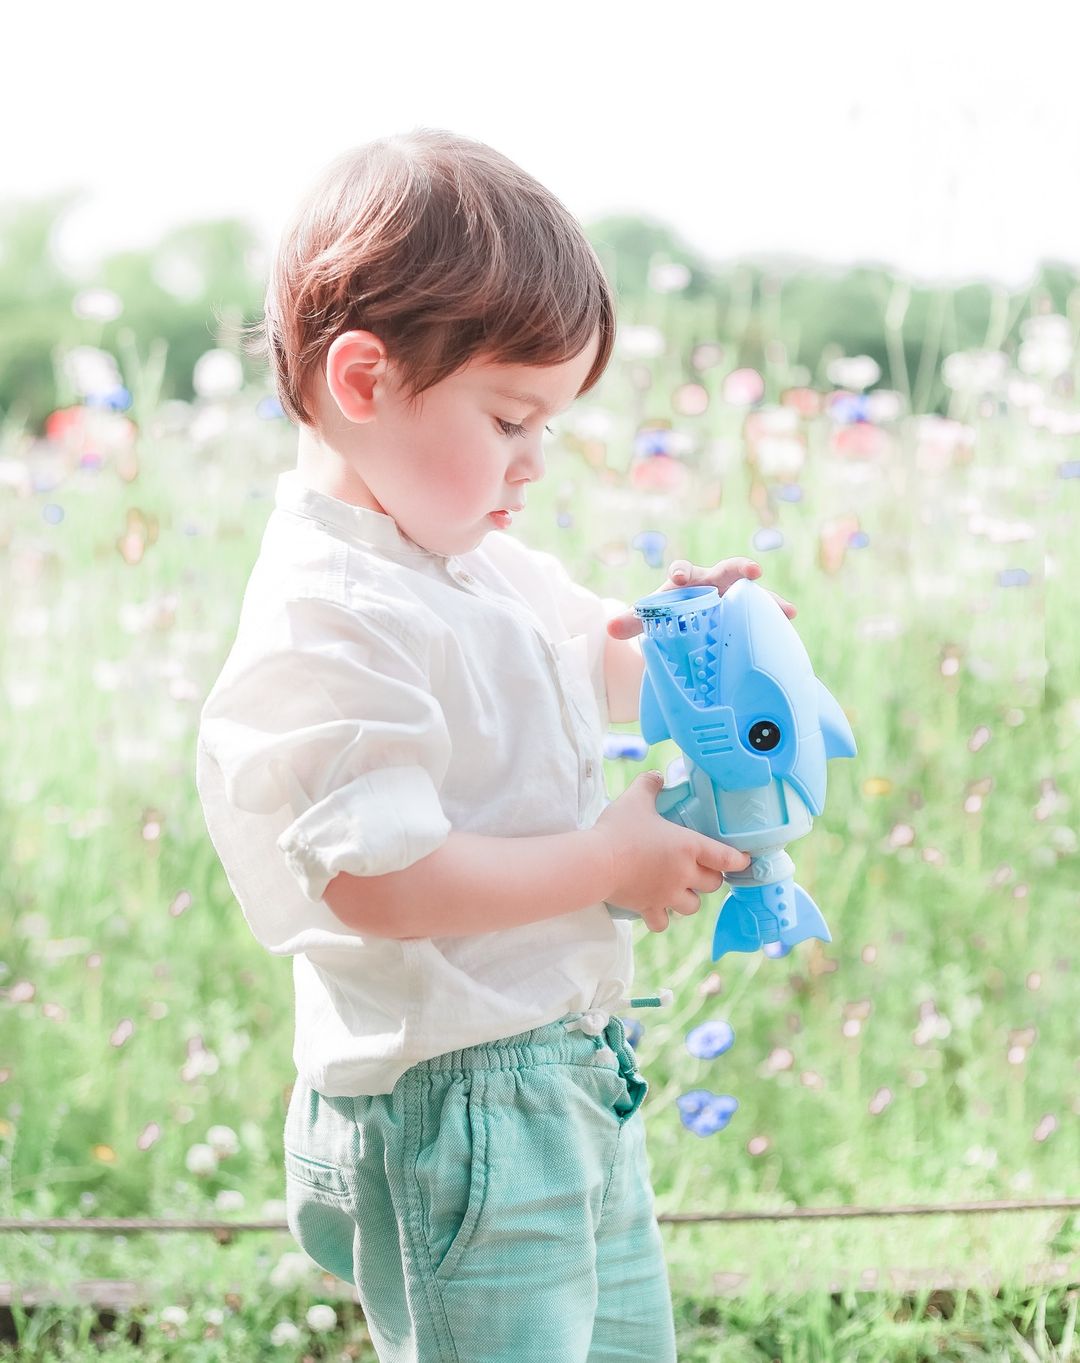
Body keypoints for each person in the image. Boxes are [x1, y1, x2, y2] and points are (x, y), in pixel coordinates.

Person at [195, 128, 794, 1363]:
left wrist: (710, 653)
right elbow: (381, 880)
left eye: (549, 427)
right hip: (453, 1108)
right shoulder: (329, 611)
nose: (532, 463)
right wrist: (606, 862)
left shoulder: (473, 557)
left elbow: (603, 658)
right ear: (362, 383)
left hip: (565, 1074)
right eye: (511, 417)